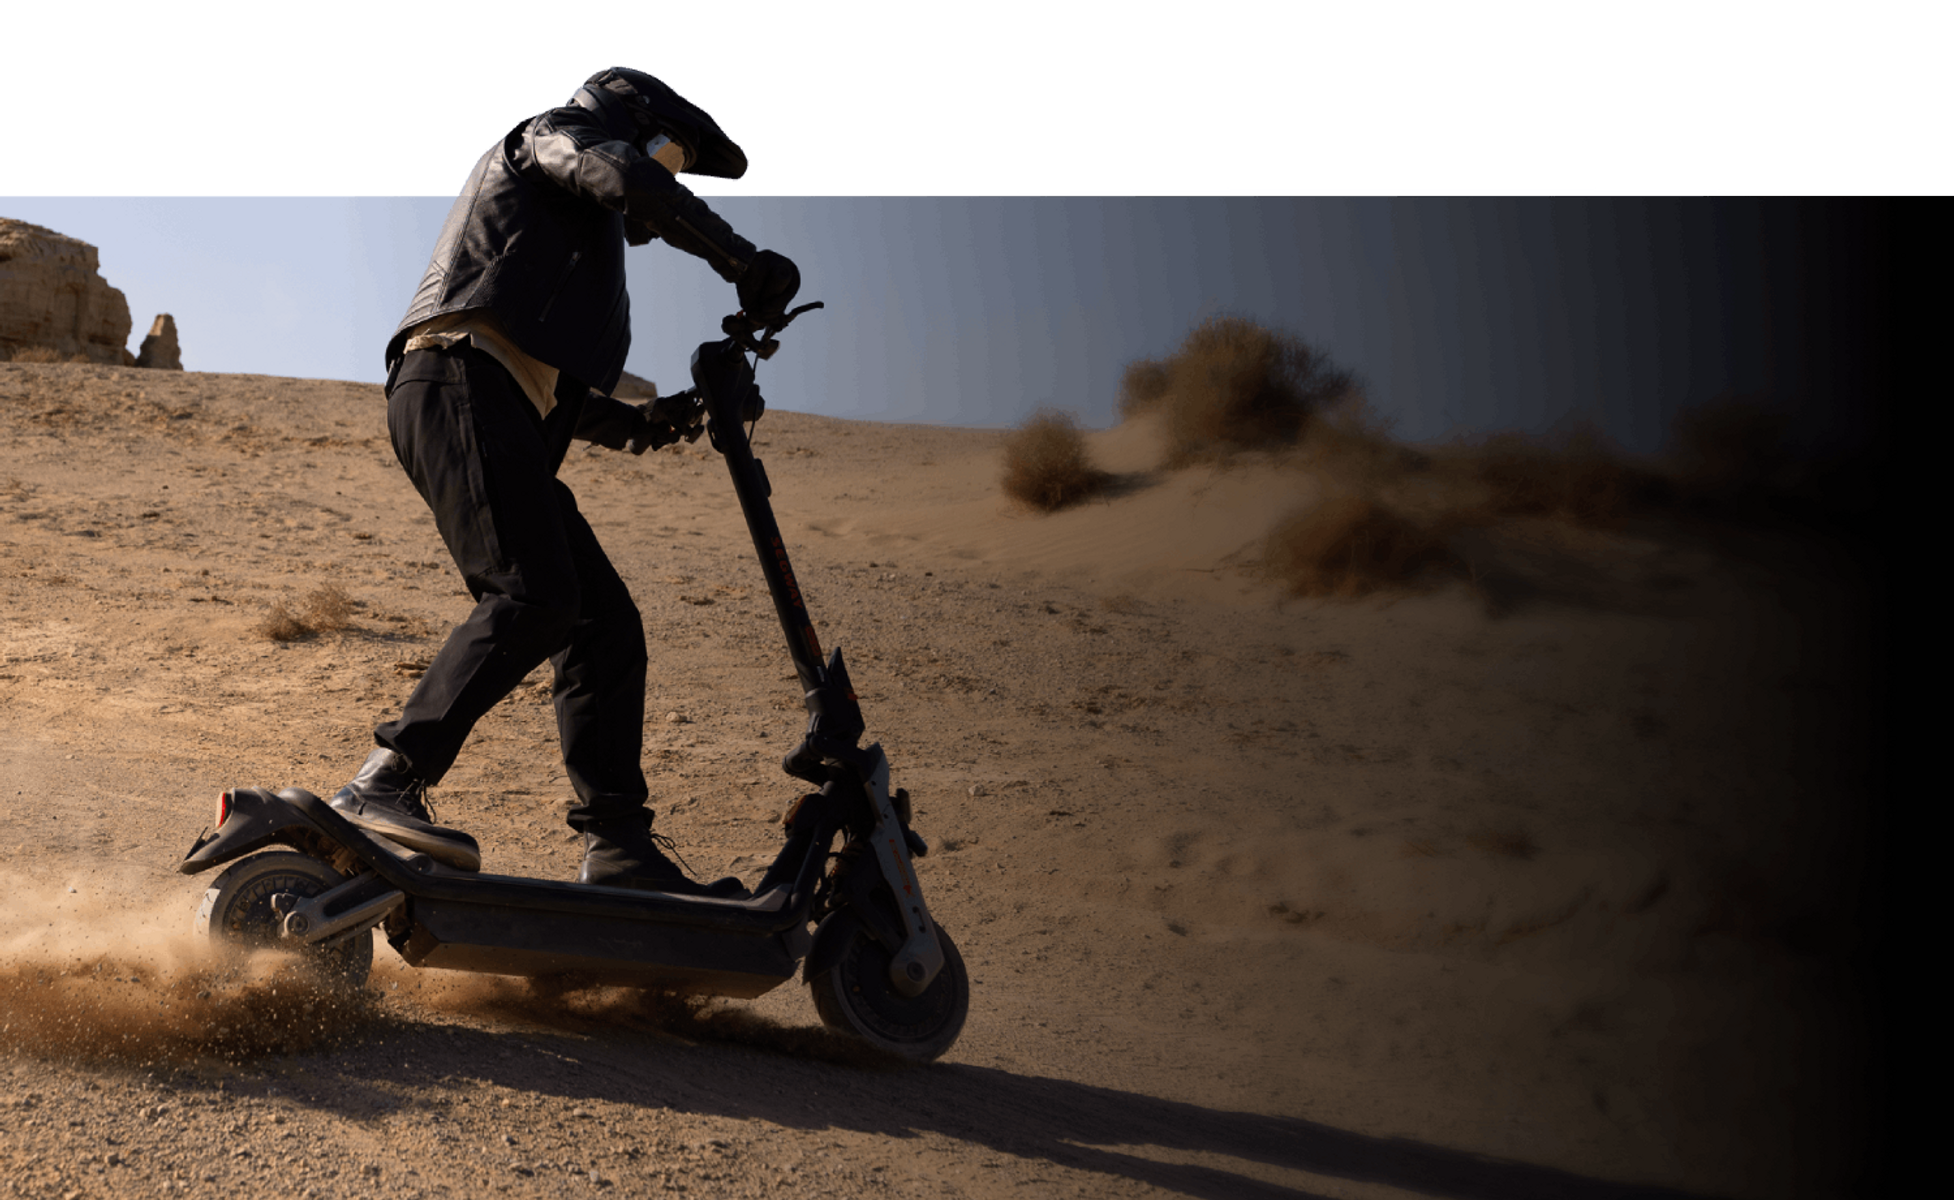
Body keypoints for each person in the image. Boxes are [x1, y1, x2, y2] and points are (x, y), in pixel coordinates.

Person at [328, 65, 800, 897]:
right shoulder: (550, 134)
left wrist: (665, 419)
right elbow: (618, 173)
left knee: (604, 624)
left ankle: (619, 848)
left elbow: (568, 396)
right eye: (669, 156)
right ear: (625, 118)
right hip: (455, 382)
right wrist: (735, 256)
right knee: (535, 595)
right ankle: (386, 780)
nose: (669, 177)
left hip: (496, 402)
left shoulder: (570, 242)